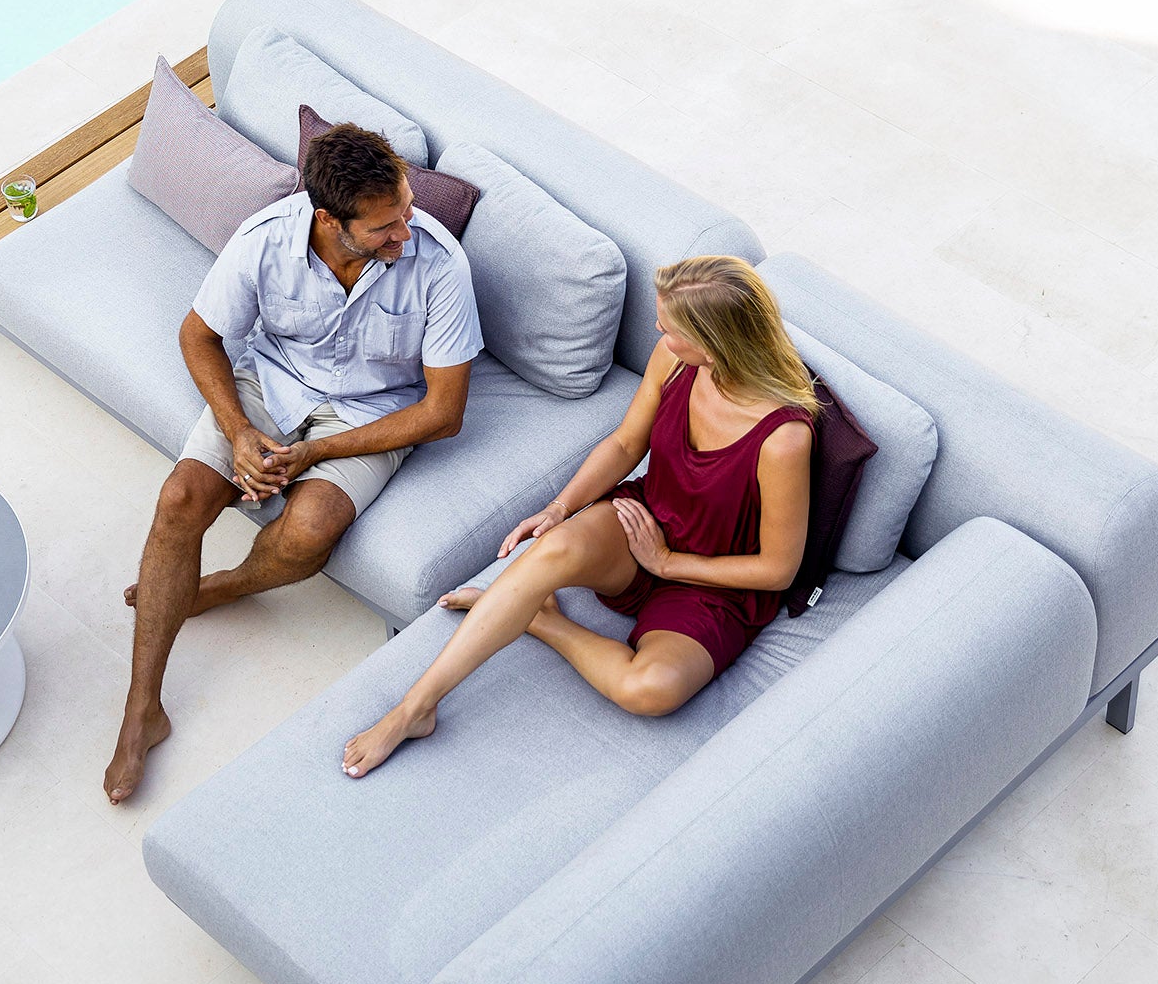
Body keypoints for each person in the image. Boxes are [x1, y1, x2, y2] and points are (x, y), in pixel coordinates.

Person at [105, 123, 483, 804]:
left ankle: (217, 589)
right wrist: (240, 430)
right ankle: (142, 710)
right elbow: (199, 335)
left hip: (375, 411)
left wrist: (314, 453)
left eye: (404, 211)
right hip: (272, 383)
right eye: (384, 227)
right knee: (180, 501)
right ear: (330, 220)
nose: (406, 231)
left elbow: (442, 413)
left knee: (310, 532)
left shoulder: (439, 263)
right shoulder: (265, 241)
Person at [342, 254, 817, 779]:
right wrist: (558, 508)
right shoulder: (675, 358)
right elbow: (624, 443)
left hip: (712, 583)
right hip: (644, 521)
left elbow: (777, 570)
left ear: (714, 343)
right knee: (553, 548)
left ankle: (544, 622)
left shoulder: (784, 438)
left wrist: (666, 563)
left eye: (671, 326)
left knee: (649, 691)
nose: (657, 330)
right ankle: (415, 708)